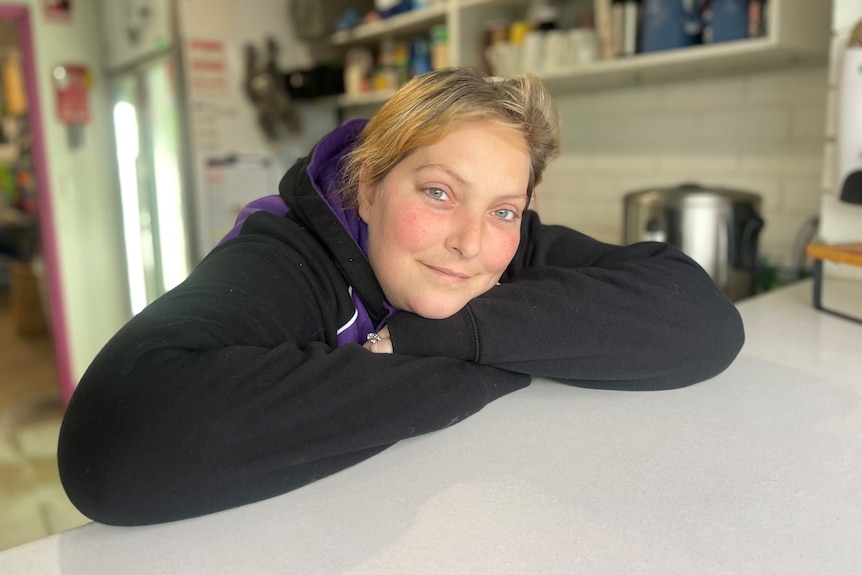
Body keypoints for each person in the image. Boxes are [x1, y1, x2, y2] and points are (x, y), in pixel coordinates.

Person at [58, 67, 744, 526]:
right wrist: (507, 359)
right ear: (368, 185)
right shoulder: (287, 255)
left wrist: (439, 342)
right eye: (439, 192)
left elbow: (702, 319)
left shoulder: (504, 245)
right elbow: (114, 445)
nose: (472, 243)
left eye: (505, 209)